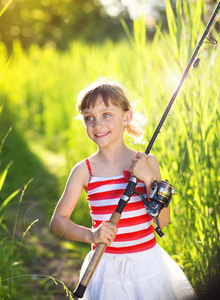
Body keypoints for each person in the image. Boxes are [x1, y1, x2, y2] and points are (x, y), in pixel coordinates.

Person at [50, 78, 197, 300]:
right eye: (89, 118)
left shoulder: (147, 162)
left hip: (147, 264)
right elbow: (58, 222)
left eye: (106, 114)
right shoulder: (84, 170)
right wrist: (91, 235)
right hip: (104, 269)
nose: (97, 124)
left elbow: (162, 221)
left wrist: (149, 180)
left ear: (126, 117)